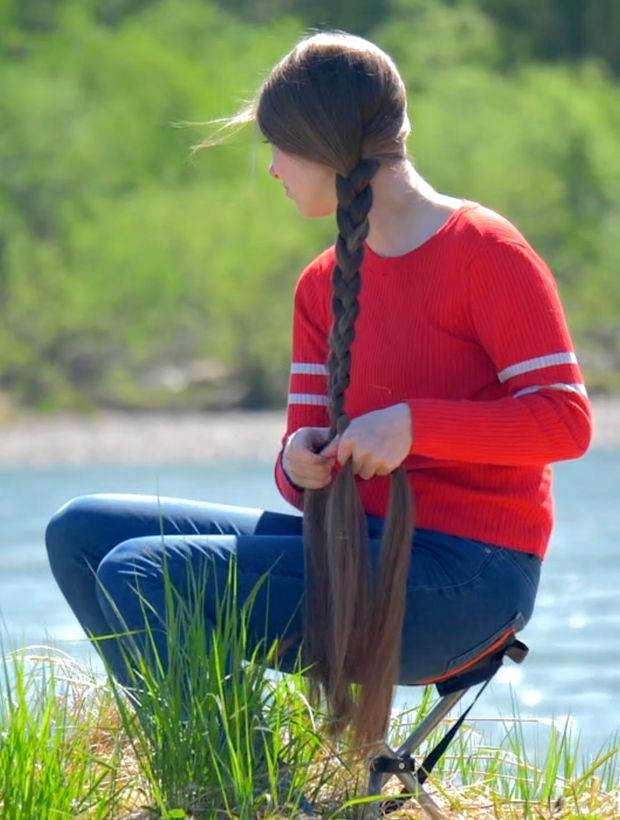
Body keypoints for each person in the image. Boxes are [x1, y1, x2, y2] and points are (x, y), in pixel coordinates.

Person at [46, 32, 592, 744]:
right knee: (80, 532)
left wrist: (413, 427)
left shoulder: (486, 253)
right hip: (350, 548)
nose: (274, 168)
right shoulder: (321, 284)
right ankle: (224, 767)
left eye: (279, 147)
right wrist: (298, 461)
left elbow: (565, 422)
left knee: (143, 572)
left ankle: (238, 785)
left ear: (324, 145)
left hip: (468, 582)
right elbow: (296, 477)